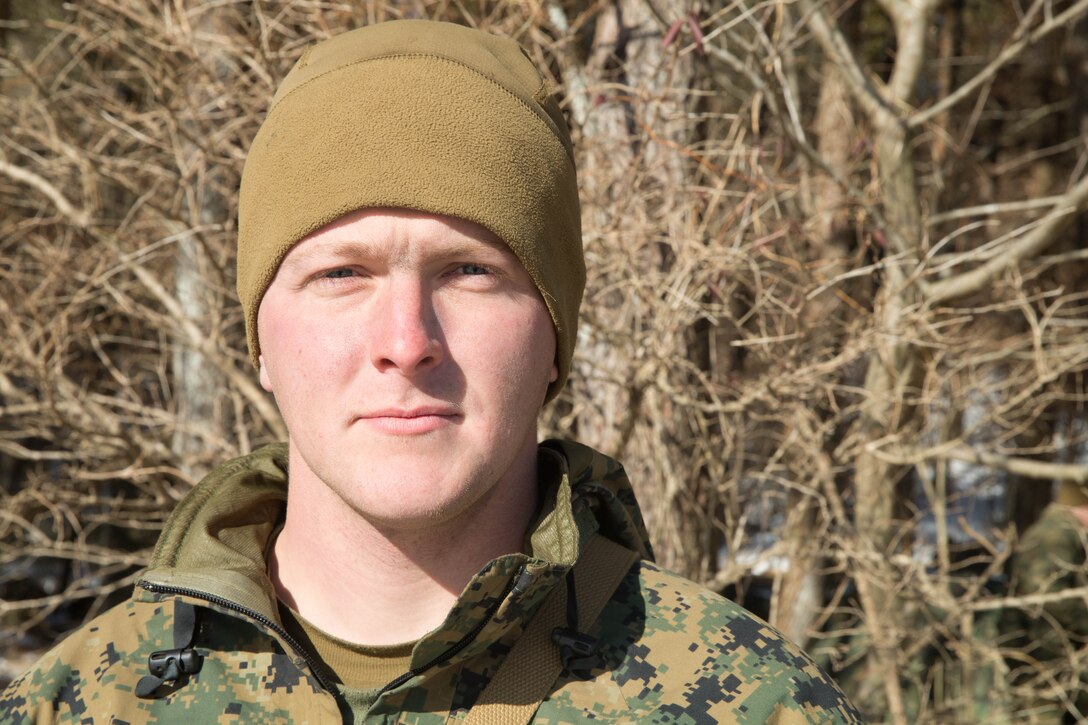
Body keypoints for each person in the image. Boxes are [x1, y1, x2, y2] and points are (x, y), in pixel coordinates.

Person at [2, 19, 861, 724]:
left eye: (469, 271)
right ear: (260, 336)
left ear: (555, 335)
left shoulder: (754, 702)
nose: (406, 341)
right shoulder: (75, 704)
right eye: (341, 273)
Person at [1004, 481, 1088, 723]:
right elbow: (1047, 594)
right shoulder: (1054, 536)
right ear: (1079, 506)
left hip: (1049, 651)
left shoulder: (1066, 533)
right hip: (1038, 653)